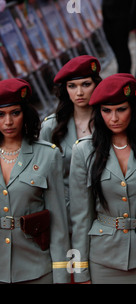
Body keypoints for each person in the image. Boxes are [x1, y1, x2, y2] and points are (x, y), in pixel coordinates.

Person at [69, 73, 136, 283]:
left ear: (133, 109)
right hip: (103, 259)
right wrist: (80, 269)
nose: (114, 118)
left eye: (121, 109)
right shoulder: (84, 151)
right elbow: (80, 216)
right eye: (106, 111)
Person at [0, 78, 71, 283]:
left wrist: (61, 275)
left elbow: (58, 222)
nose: (8, 122)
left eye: (15, 113)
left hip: (36, 269)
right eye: (1, 115)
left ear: (26, 114)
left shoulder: (47, 155)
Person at [40, 55, 102, 216]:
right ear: (65, 89)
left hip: (105, 210)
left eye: (86, 84)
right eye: (72, 86)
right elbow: (41, 176)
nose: (79, 92)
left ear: (96, 85)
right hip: (67, 212)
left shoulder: (110, 121)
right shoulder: (51, 127)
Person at [101, 0, 135, 73]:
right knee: (115, 48)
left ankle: (125, 72)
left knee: (122, 48)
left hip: (121, 20)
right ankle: (122, 71)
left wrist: (132, 22)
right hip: (107, 21)